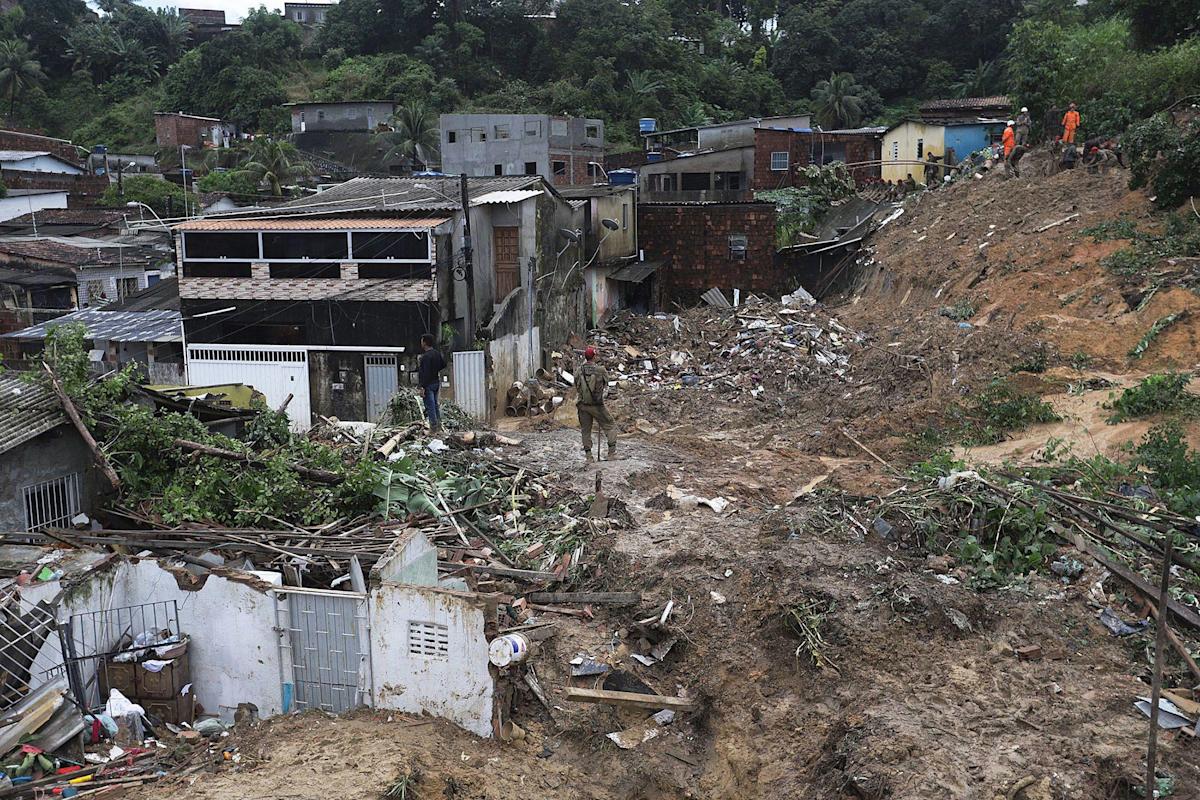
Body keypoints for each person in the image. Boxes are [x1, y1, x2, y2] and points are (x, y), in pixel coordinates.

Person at [576, 345, 616, 462]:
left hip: (582, 405)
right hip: (597, 405)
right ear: (594, 357)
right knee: (610, 425)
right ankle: (611, 453)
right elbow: (606, 385)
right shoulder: (601, 370)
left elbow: (577, 386)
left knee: (585, 430)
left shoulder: (579, 370)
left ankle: (589, 456)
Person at [417, 333, 446, 432]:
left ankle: (433, 428)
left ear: (425, 342)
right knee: (435, 405)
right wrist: (435, 370)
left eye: (422, 341)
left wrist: (422, 387)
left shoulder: (425, 357)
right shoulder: (437, 354)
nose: (421, 343)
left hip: (428, 384)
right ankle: (438, 425)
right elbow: (443, 364)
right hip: (436, 382)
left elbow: (424, 373)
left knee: (430, 406)